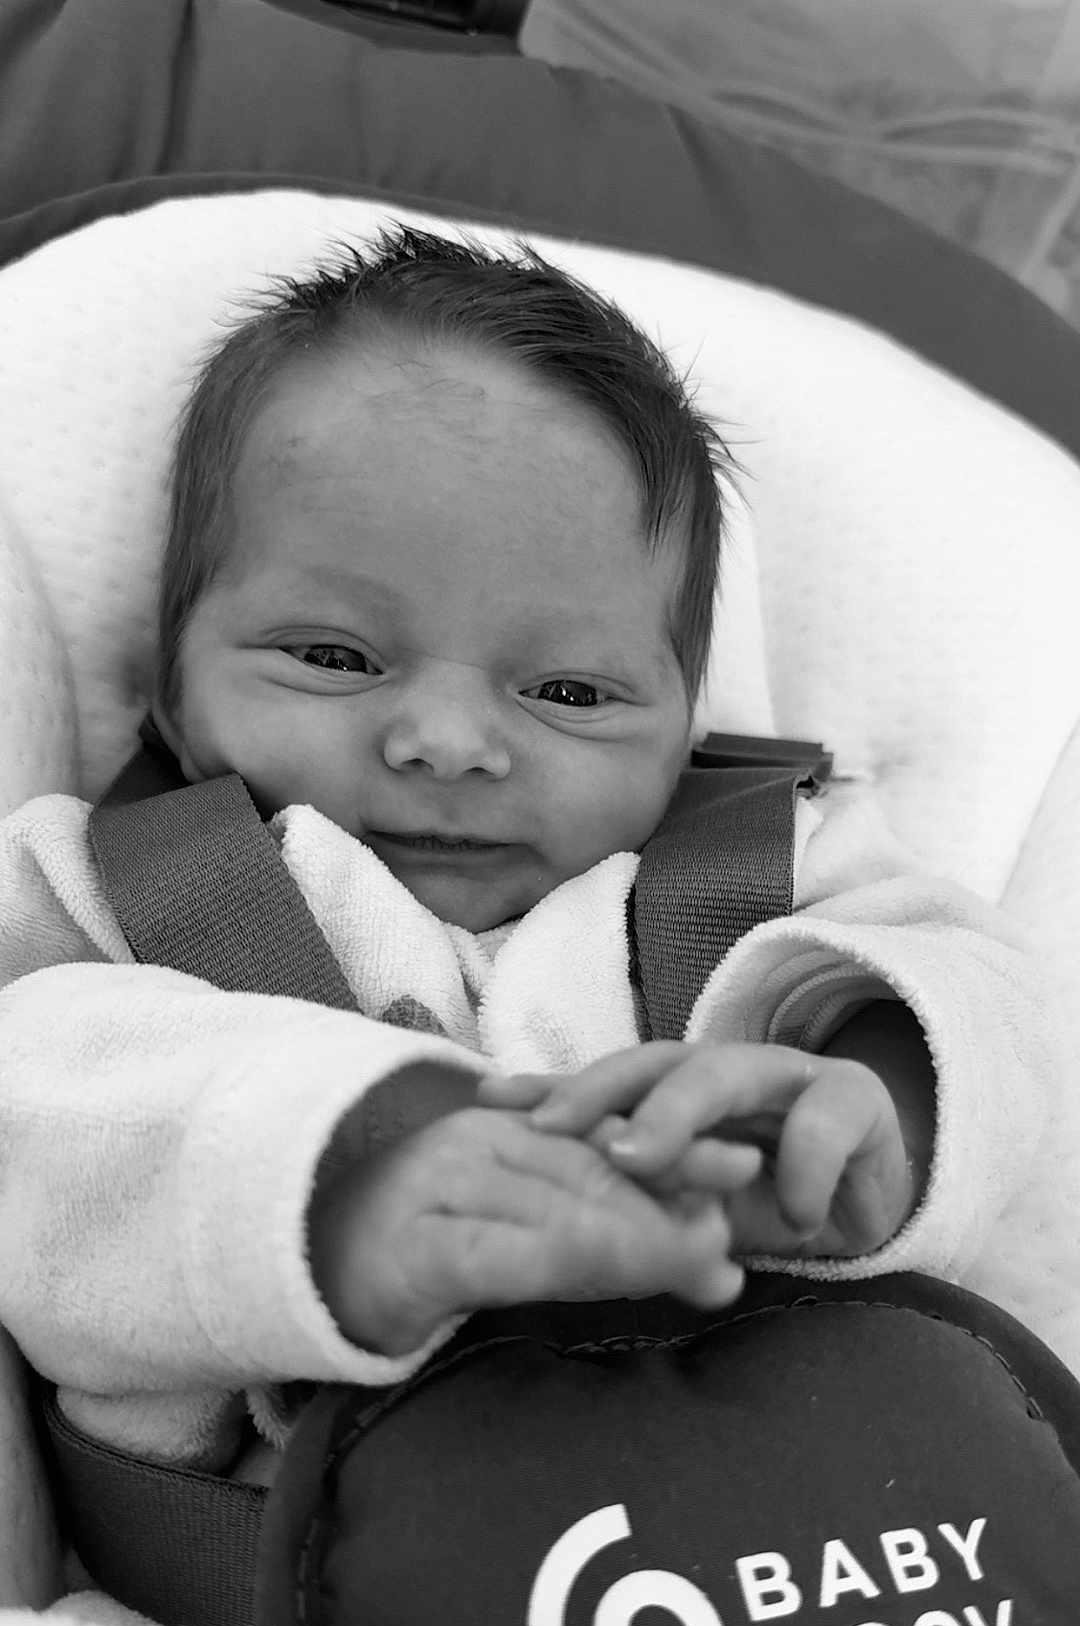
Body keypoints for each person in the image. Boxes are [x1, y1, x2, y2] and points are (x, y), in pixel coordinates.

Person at [0, 226, 1045, 1491]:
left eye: (567, 690)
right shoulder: (113, 887)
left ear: (683, 736)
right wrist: (337, 1182)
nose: (445, 742)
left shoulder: (756, 885)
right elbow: (35, 1118)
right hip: (270, 1612)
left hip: (779, 1571)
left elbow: (994, 1003)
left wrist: (884, 1105)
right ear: (168, 701)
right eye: (331, 657)